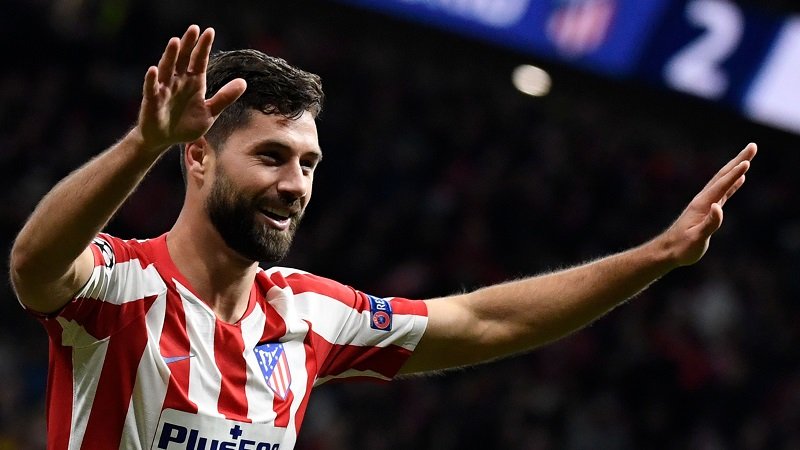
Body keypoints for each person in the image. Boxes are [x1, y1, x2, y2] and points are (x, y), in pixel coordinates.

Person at [9, 25, 756, 449]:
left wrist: (658, 256)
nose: (295, 185)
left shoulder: (310, 314)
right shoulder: (120, 286)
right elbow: (34, 263)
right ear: (198, 157)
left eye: (308, 163)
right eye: (270, 157)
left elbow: (486, 319)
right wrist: (143, 144)